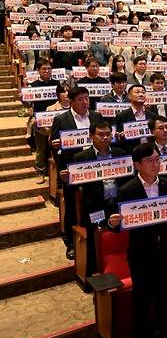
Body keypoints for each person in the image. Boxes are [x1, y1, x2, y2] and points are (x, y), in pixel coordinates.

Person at [108, 143, 167, 338]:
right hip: (141, 254)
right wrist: (114, 223)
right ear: (137, 165)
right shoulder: (127, 190)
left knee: (163, 298)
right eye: (150, 161)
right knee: (142, 300)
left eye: (157, 159)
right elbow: (119, 223)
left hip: (165, 250)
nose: (155, 164)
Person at [70, 121, 129, 278]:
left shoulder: (120, 153)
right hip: (95, 208)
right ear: (91, 136)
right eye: (100, 135)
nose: (105, 138)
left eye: (108, 134)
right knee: (95, 241)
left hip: (117, 204)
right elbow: (75, 186)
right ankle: (94, 276)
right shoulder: (81, 158)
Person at [50, 87, 103, 260]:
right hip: (72, 171)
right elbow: (54, 147)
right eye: (80, 99)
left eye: (87, 98)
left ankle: (98, 238)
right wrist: (62, 173)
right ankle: (71, 242)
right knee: (72, 207)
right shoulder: (61, 119)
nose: (85, 102)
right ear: (71, 101)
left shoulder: (96, 116)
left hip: (96, 169)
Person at [115, 84, 153, 152]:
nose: (141, 94)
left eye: (143, 92)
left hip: (150, 151)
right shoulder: (122, 116)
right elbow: (117, 139)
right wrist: (120, 138)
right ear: (129, 96)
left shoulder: (152, 116)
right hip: (130, 152)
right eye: (137, 92)